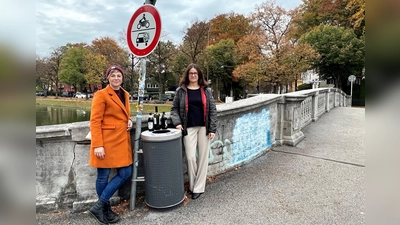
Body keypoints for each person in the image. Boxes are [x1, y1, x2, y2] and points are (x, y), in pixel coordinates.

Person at [88, 65, 133, 224]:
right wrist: (98, 145)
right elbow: (95, 121)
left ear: (122, 78)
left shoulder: (125, 94)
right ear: (108, 78)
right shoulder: (101, 95)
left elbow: (123, 114)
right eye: (113, 75)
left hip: (120, 141)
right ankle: (104, 210)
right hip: (106, 142)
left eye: (119, 75)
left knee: (126, 172)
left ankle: (99, 206)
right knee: (103, 176)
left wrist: (129, 121)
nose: (116, 78)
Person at [170, 63, 217, 200]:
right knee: (190, 157)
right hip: (188, 128)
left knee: (202, 158)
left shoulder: (206, 91)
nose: (193, 75)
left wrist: (212, 129)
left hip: (204, 128)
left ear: (199, 75)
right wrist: (177, 123)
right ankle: (193, 185)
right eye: (191, 73)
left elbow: (213, 110)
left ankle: (198, 187)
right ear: (187, 75)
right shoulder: (181, 91)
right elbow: (174, 110)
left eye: (196, 73)